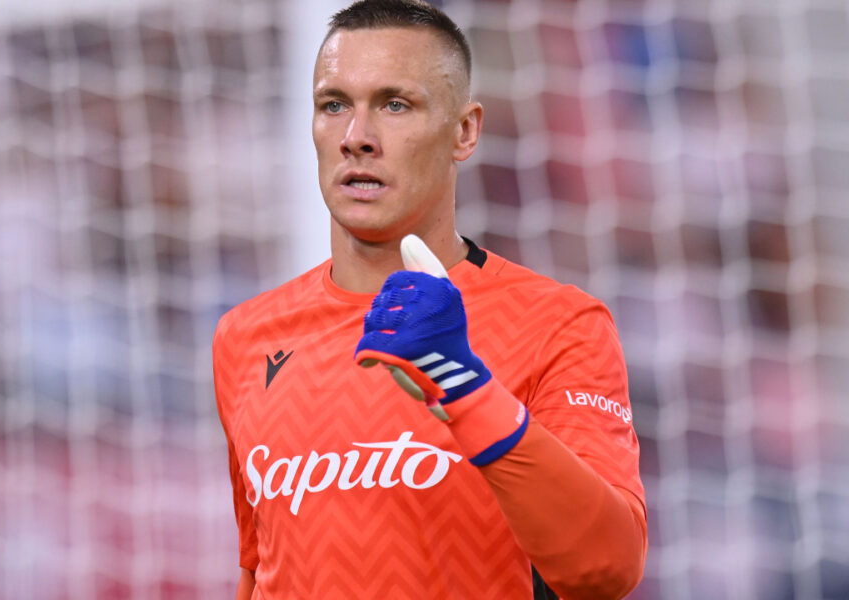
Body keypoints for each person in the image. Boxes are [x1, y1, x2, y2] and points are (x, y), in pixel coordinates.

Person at [212, 1, 647, 598]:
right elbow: (259, 571)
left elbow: (608, 566)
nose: (356, 138)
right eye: (334, 104)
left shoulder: (558, 323)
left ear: (464, 131)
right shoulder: (246, 335)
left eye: (395, 104)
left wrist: (463, 385)